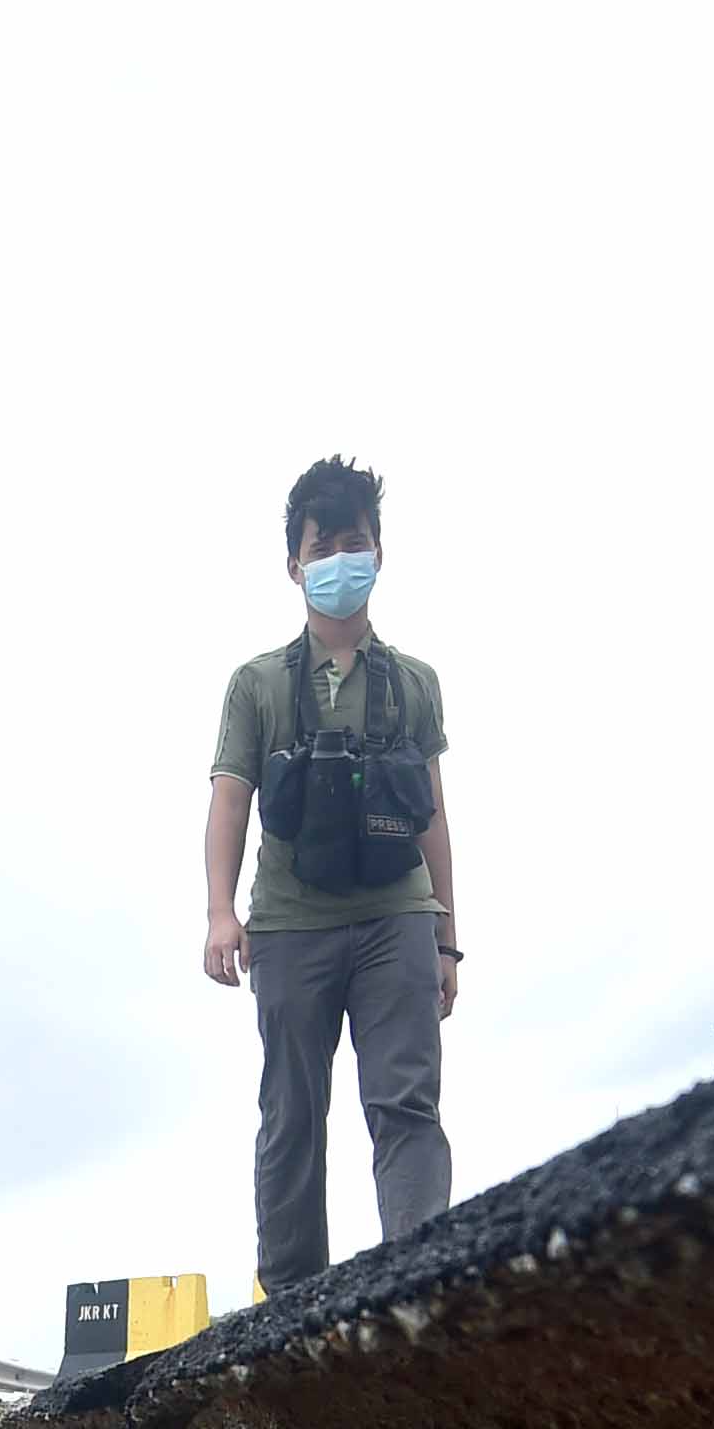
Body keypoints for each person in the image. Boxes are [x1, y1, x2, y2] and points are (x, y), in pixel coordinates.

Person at [203, 453, 458, 1294]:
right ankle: (291, 1301)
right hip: (287, 923)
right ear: (294, 564)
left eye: (356, 543)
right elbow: (230, 800)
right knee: (291, 1117)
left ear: (379, 553)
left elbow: (435, 817)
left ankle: (418, 1290)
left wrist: (448, 941)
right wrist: (219, 914)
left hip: (397, 922)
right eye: (324, 546)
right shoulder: (257, 686)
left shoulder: (415, 685)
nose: (339, 560)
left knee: (404, 1106)